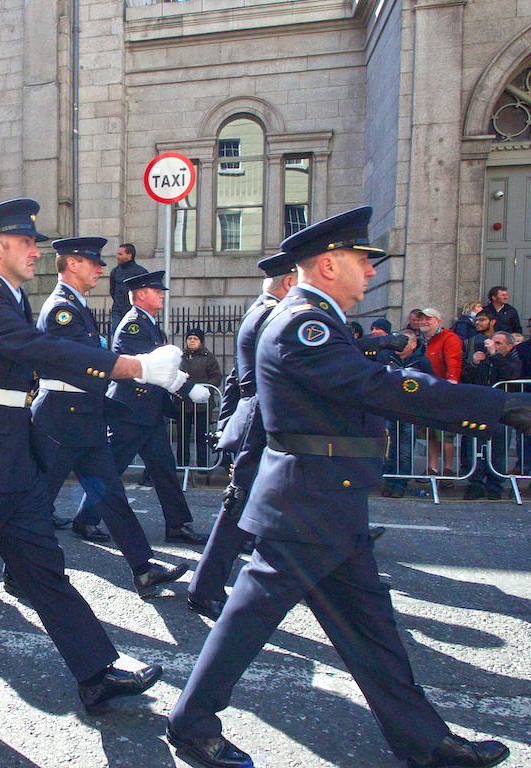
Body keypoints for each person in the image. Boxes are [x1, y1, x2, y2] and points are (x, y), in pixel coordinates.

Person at [166, 206, 516, 768]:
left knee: (370, 630)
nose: (371, 273)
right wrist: (499, 407)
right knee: (249, 619)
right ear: (329, 264)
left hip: (326, 498)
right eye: (362, 261)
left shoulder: (313, 320)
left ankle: (425, 742)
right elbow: (378, 387)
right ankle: (190, 722)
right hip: (308, 502)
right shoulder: (303, 322)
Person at [0, 199, 186, 717]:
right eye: (27, 243)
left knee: (44, 569)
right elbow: (44, 352)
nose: (37, 251)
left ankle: (96, 673)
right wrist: (132, 366)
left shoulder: (9, 298)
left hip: (7, 454)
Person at [31, 237, 190, 597]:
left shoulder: (78, 306)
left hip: (83, 416)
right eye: (93, 262)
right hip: (60, 416)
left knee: (112, 496)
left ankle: (144, 570)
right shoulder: (62, 309)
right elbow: (85, 361)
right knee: (38, 499)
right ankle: (19, 571)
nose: (102, 269)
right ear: (72, 265)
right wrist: (143, 368)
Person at [186, 259, 297, 621]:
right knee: (240, 506)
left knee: (284, 504)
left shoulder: (258, 310)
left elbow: (235, 375)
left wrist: (226, 423)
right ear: (290, 281)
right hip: (267, 416)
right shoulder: (271, 314)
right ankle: (205, 587)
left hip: (261, 415)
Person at [71, 270, 209, 546]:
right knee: (110, 469)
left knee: (166, 471)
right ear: (141, 295)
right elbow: (152, 370)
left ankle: (177, 525)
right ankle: (85, 520)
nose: (161, 295)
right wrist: (188, 388)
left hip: (148, 412)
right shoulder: (133, 326)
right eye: (156, 291)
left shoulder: (150, 325)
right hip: (130, 412)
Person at [461, 331, 521, 500]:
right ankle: (475, 484)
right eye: (492, 342)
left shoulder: (511, 361)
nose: (492, 346)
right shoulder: (484, 359)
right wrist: (473, 363)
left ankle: (495, 485)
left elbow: (510, 375)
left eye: (498, 343)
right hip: (480, 408)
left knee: (499, 450)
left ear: (509, 347)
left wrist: (495, 355)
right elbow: (466, 378)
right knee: (475, 449)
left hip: (502, 410)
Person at [381, 329, 434, 499]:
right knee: (388, 450)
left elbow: (429, 383)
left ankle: (400, 484)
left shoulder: (422, 362)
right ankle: (388, 482)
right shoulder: (385, 357)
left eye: (404, 342)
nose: (399, 345)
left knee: (405, 451)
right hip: (389, 408)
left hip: (410, 411)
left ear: (413, 344)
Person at [418, 307, 462, 478]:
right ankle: (433, 467)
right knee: (430, 432)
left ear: (438, 321)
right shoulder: (421, 339)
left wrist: (452, 380)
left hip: (444, 390)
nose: (424, 322)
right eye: (421, 318)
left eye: (428, 319)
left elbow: (454, 359)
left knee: (446, 434)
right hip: (426, 391)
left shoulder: (449, 338)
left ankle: (448, 468)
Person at [177, 328, 222, 469]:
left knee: (201, 436)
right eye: (189, 338)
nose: (191, 341)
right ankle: (182, 465)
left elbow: (216, 376)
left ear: (200, 341)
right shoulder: (180, 356)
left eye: (195, 339)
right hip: (183, 403)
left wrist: (205, 388)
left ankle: (202, 466)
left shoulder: (208, 357)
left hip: (202, 404)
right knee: (182, 436)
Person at [108, 243, 147, 335]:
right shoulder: (115, 271)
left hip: (135, 312)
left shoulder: (141, 272)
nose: (117, 257)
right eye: (117, 254)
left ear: (129, 256)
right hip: (118, 311)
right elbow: (112, 290)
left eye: (120, 254)